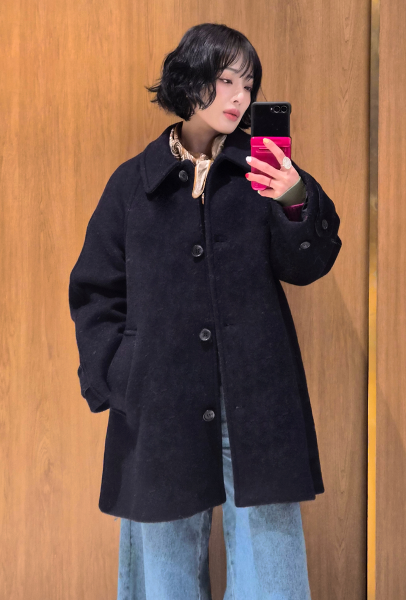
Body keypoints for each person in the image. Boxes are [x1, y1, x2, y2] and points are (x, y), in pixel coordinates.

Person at [69, 22, 342, 600]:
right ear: (190, 80)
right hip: (160, 399)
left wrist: (294, 198)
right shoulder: (133, 184)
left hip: (255, 398)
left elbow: (307, 264)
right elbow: (95, 289)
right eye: (226, 81)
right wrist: (119, 373)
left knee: (270, 566)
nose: (240, 97)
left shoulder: (263, 174)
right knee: (163, 569)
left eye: (249, 84)